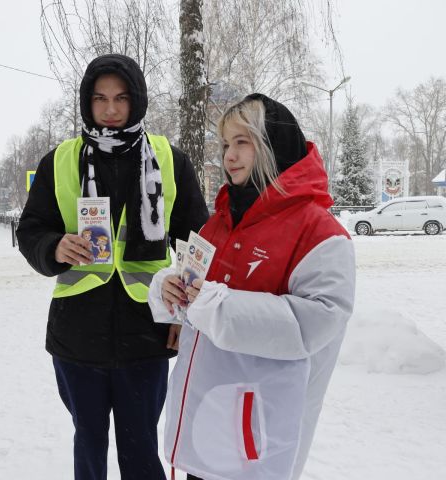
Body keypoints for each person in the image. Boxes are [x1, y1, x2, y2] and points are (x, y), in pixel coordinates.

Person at [16, 54, 208, 480]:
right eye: (100, 98)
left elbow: (198, 244)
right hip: (76, 335)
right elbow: (30, 231)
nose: (110, 109)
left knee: (140, 445)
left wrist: (185, 316)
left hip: (148, 332)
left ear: (136, 100)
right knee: (88, 442)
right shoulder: (60, 160)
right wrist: (54, 246)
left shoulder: (168, 160)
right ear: (87, 102)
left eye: (121, 98)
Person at [148, 93, 356, 480]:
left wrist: (217, 306)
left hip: (256, 438)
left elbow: (316, 323)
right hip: (202, 419)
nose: (229, 155)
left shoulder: (319, 231)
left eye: (242, 142)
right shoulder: (220, 221)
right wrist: (170, 291)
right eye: (226, 144)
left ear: (272, 144)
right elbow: (199, 300)